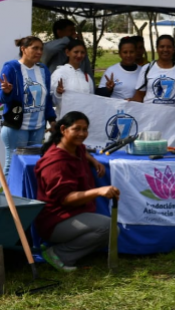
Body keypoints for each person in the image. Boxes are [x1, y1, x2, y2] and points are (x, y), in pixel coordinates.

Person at [35, 111, 114, 272]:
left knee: (110, 227)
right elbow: (66, 199)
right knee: (109, 227)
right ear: (63, 129)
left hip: (74, 214)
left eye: (85, 129)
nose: (82, 134)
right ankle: (58, 254)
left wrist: (93, 160)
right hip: (55, 221)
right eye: (77, 129)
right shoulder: (55, 162)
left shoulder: (75, 148)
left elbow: (83, 150)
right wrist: (98, 191)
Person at [0, 36, 58, 177]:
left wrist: (52, 119)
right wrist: (7, 92)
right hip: (17, 127)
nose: (39, 52)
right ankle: (9, 193)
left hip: (38, 128)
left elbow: (47, 98)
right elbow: (0, 98)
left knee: (33, 166)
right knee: (12, 167)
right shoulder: (11, 68)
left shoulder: (43, 70)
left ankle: (27, 193)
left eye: (41, 49)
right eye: (35, 48)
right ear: (23, 49)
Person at [132, 35, 175, 115]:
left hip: (173, 117)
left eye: (169, 47)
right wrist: (129, 105)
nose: (165, 49)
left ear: (173, 49)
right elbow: (139, 95)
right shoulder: (147, 68)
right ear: (157, 49)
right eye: (162, 47)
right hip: (150, 116)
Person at [51, 39, 95, 116]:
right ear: (67, 52)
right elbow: (52, 100)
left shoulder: (86, 77)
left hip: (83, 119)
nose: (79, 55)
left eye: (82, 52)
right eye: (76, 52)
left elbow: (91, 100)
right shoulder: (59, 73)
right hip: (64, 119)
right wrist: (58, 93)